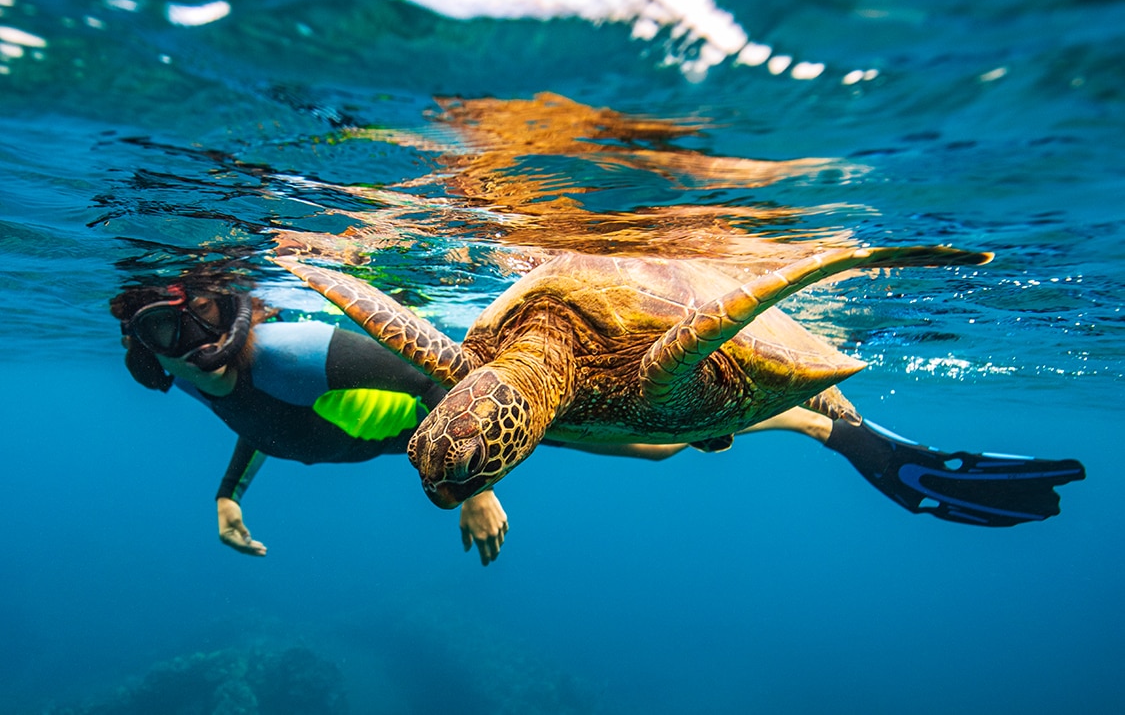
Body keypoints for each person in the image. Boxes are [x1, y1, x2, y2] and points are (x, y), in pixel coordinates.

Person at [111, 277, 1085, 565]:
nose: (192, 336)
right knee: (645, 434)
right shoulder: (216, 379)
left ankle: (864, 443)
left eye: (197, 312)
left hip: (591, 379)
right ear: (144, 347)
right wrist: (230, 496)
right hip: (513, 395)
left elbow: (423, 391)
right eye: (166, 327)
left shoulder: (291, 353)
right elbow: (267, 422)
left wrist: (473, 491)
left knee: (666, 433)